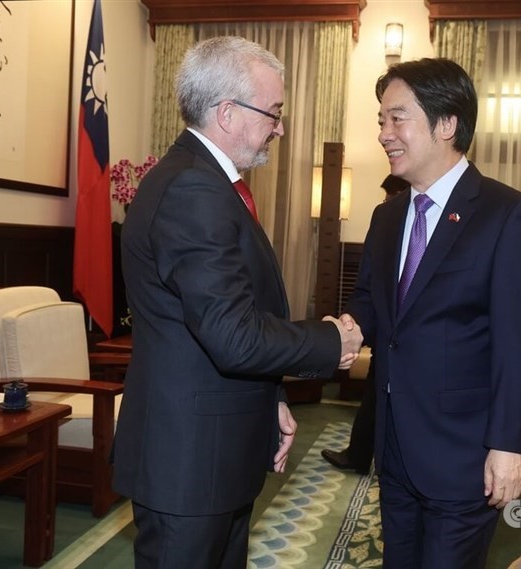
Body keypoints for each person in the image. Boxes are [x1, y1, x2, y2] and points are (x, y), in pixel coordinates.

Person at [112, 37, 362, 569]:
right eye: (273, 112)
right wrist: (329, 341)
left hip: (211, 451)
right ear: (227, 112)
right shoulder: (194, 190)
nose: (280, 126)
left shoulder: (205, 182)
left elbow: (209, 324)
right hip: (189, 463)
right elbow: (232, 334)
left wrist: (269, 398)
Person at [342, 58, 521, 568]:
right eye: (381, 121)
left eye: (397, 119)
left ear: (446, 124)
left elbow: (519, 345)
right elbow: (371, 302)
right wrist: (343, 330)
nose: (384, 134)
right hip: (395, 448)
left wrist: (510, 446)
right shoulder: (388, 216)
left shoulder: (509, 216)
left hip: (466, 456)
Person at [322, 174, 410, 475]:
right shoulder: (384, 217)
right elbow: (367, 286)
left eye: (392, 195)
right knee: (374, 400)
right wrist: (352, 324)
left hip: (421, 352)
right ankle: (359, 456)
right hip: (384, 338)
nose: (388, 201)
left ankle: (361, 456)